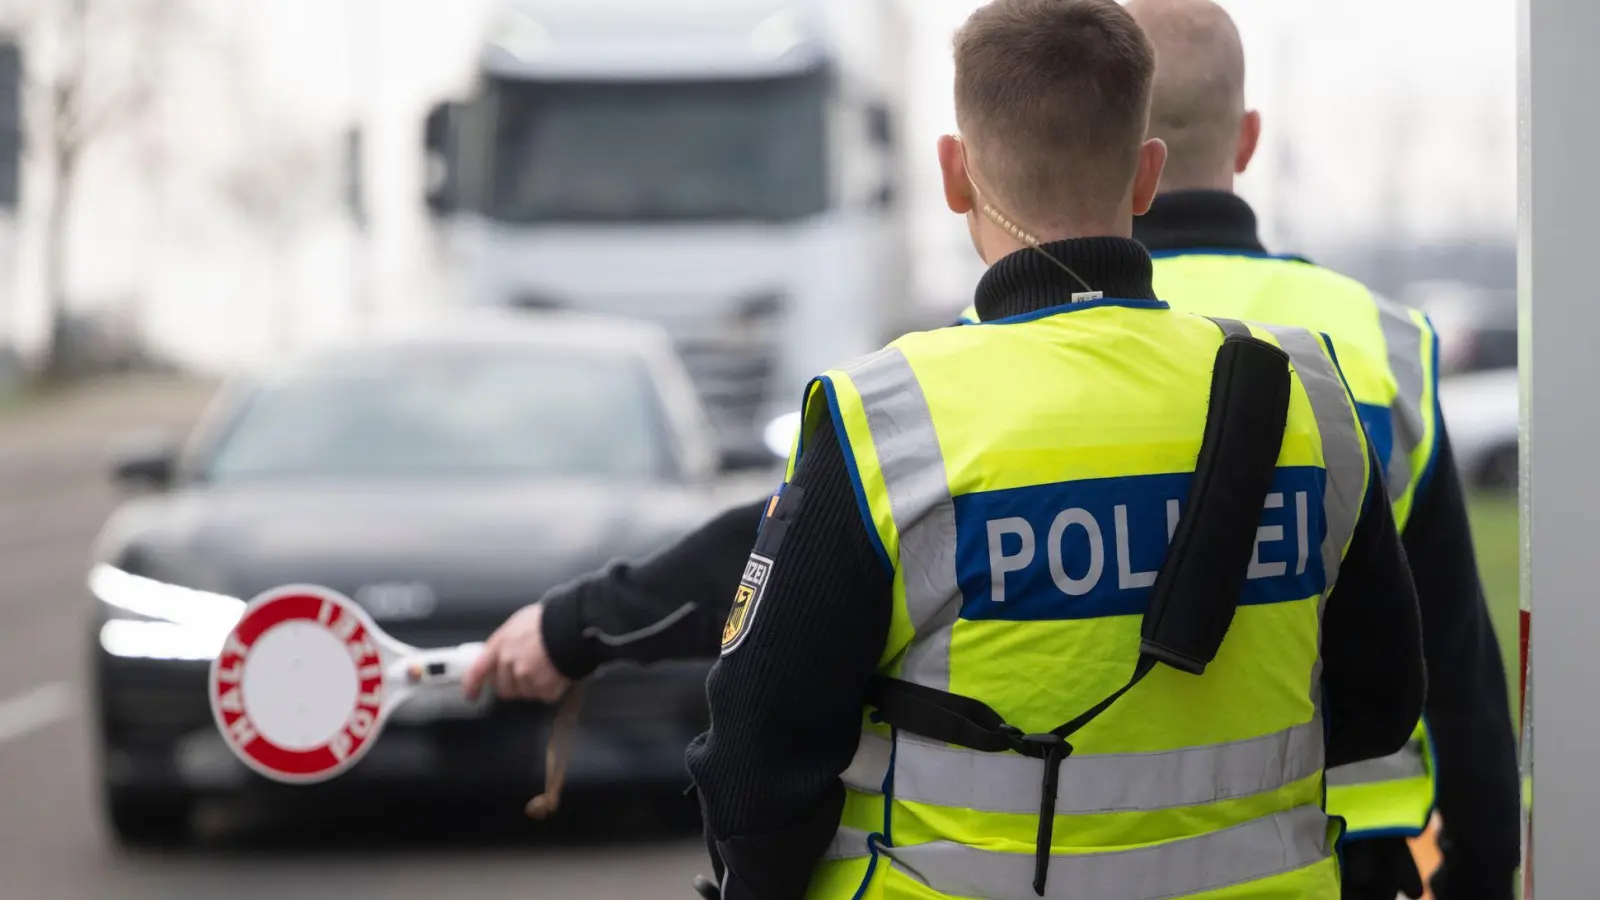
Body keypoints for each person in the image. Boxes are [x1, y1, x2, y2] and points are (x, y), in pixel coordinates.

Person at [470, 1, 1425, 897]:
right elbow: (1383, 701)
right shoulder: (1309, 391)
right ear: (1145, 173)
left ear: (954, 172)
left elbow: (757, 758)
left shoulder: (894, 414)